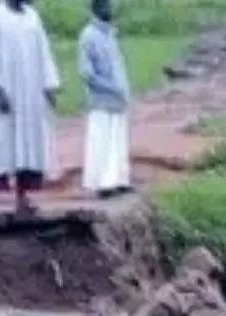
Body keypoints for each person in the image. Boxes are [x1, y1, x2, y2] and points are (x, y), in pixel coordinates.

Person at [0, 0, 60, 215]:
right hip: (6, 90)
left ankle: (21, 198)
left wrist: (49, 85)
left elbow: (44, 52)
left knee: (27, 145)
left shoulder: (32, 16)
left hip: (30, 91)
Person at [77, 0, 131, 198]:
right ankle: (102, 183)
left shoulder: (110, 34)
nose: (110, 9)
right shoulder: (89, 35)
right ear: (96, 9)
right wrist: (113, 88)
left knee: (117, 140)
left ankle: (119, 179)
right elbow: (87, 73)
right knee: (101, 141)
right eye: (106, 6)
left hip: (117, 99)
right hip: (101, 99)